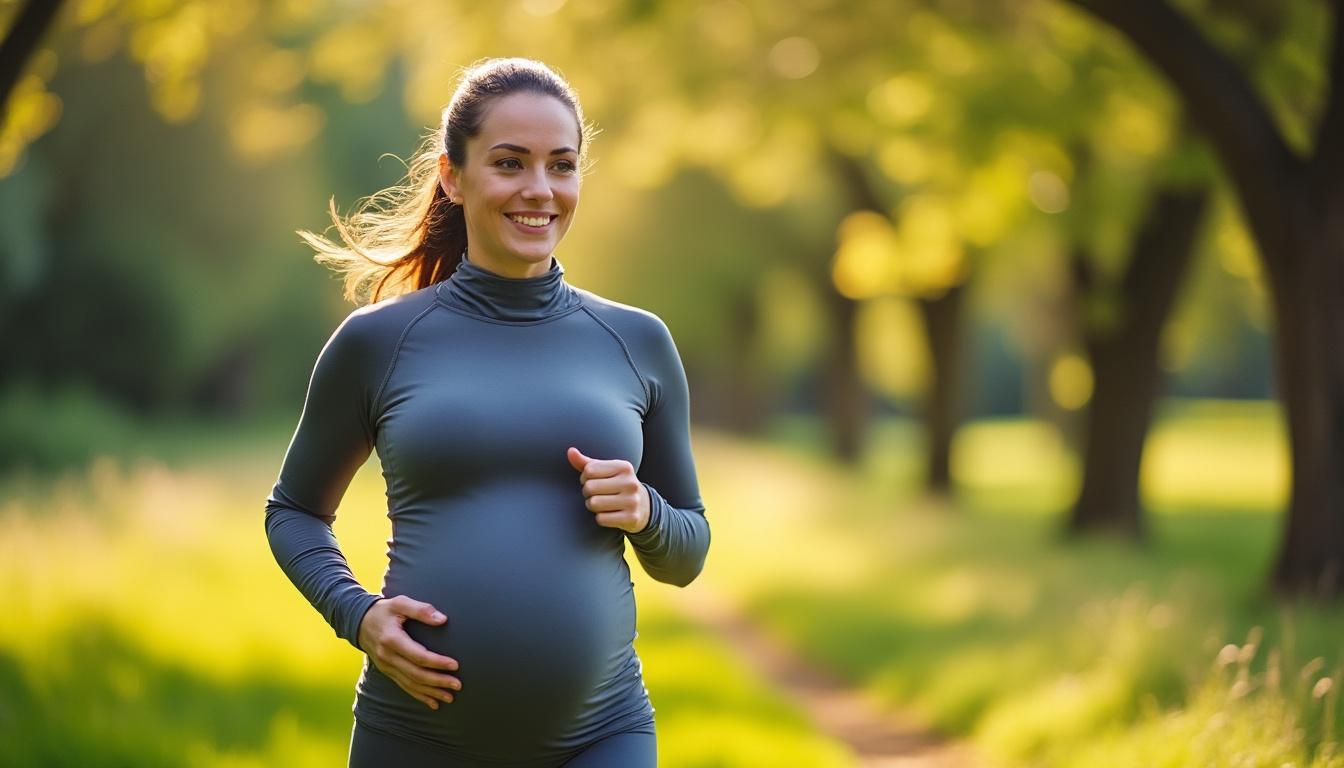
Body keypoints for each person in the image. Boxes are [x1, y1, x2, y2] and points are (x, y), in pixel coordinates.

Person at [263, 57, 711, 767]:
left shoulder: (637, 341)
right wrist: (359, 615)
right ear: (453, 176)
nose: (540, 189)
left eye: (561, 166)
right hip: (414, 737)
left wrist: (646, 512)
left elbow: (688, 554)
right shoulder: (379, 342)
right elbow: (293, 511)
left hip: (600, 737)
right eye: (510, 163)